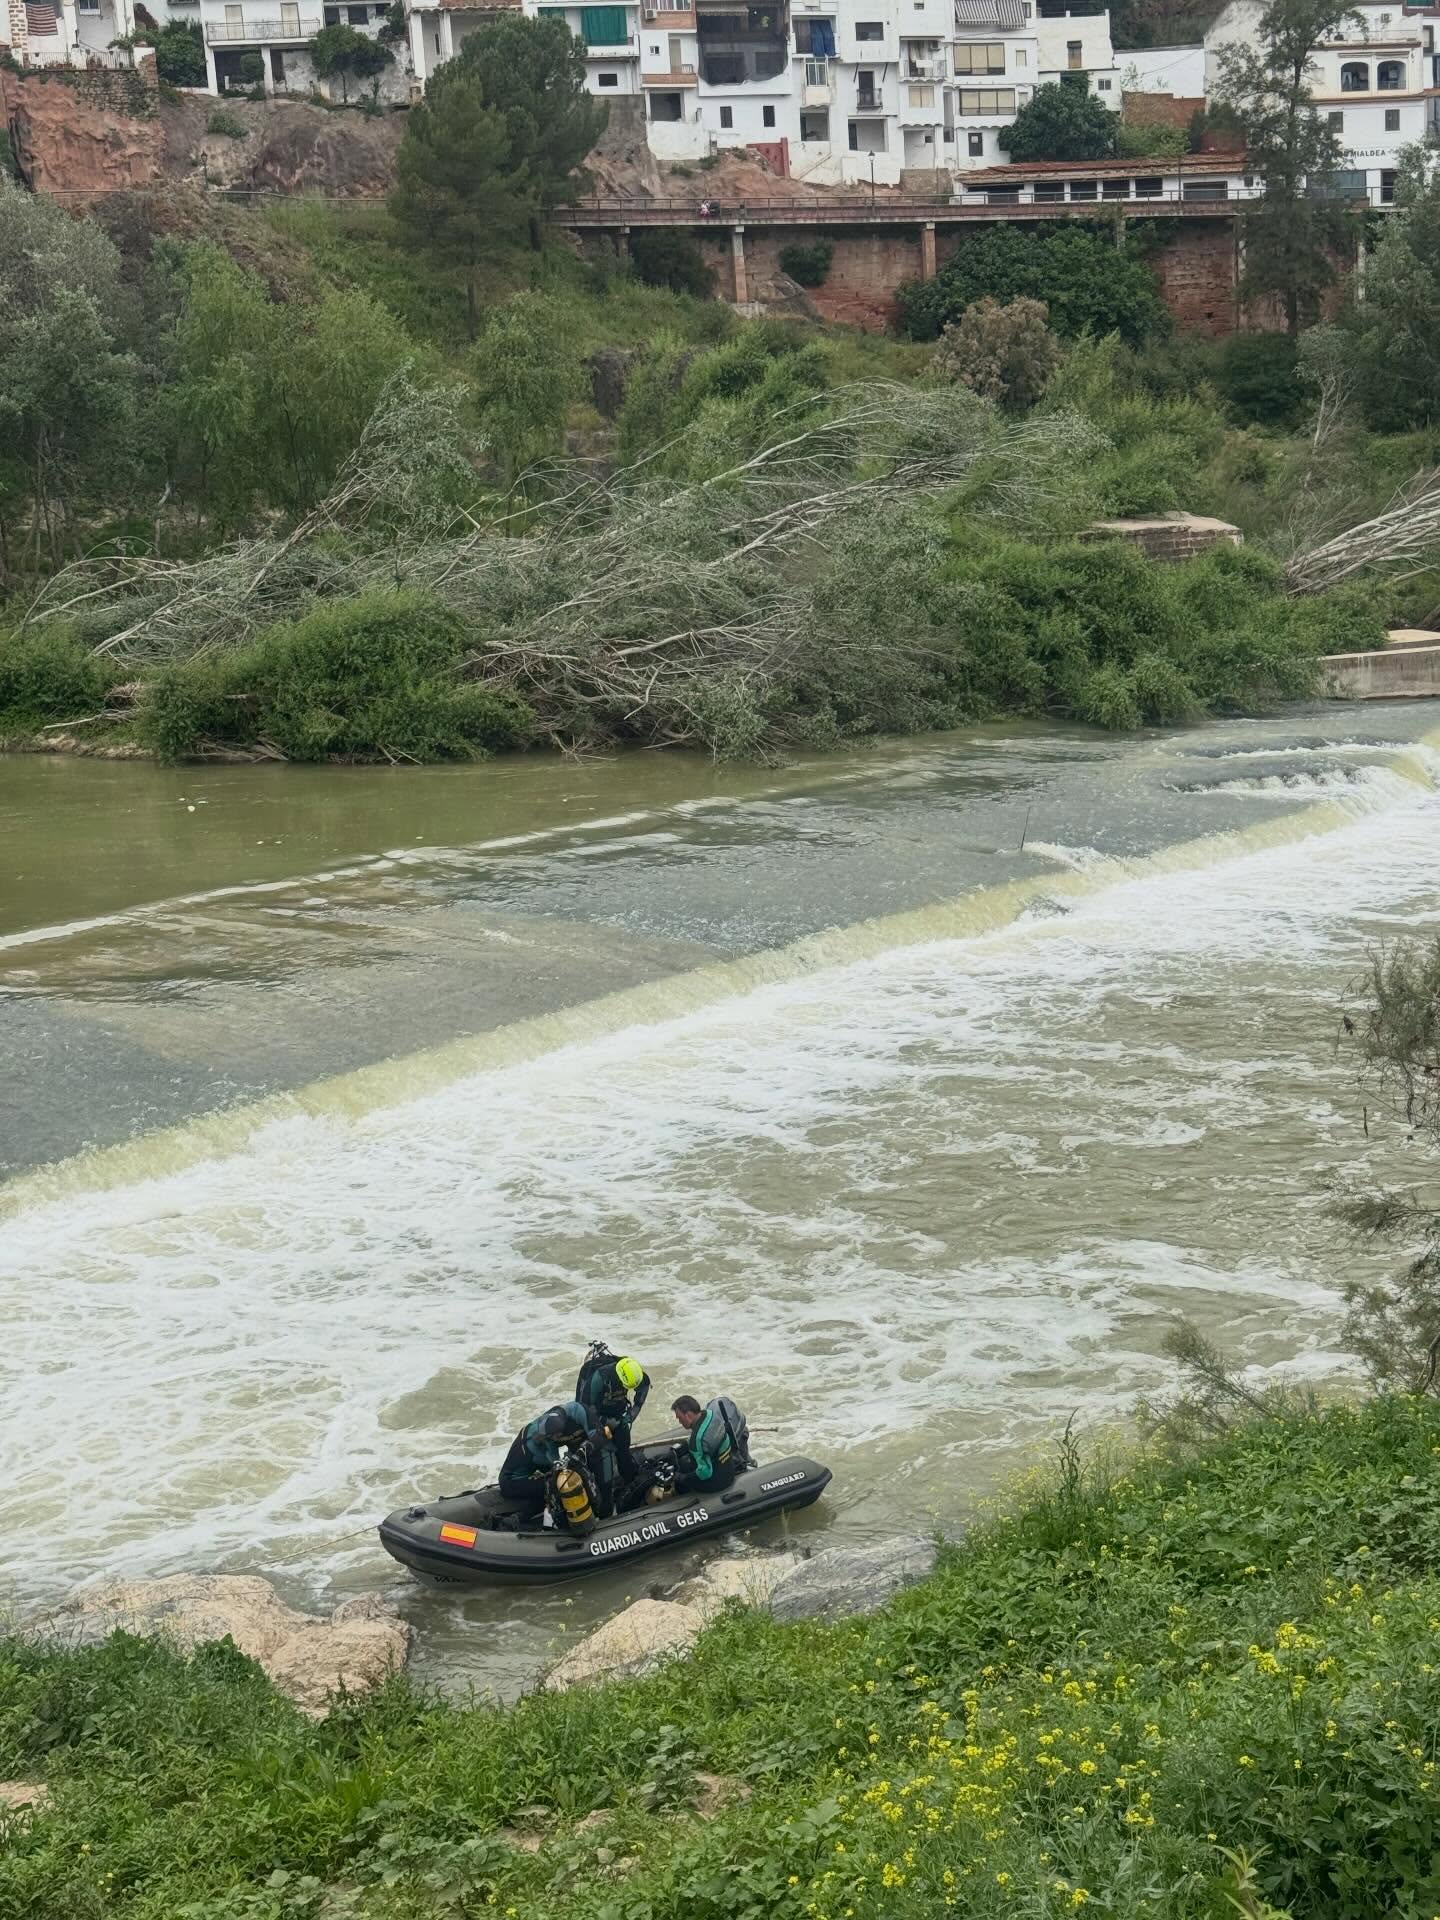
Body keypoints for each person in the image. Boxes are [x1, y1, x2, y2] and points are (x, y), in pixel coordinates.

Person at [497, 1400, 598, 1520]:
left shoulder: (538, 1426)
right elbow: (556, 1470)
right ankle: (519, 1518)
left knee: (551, 1482)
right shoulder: (535, 1446)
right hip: (511, 1483)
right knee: (554, 1486)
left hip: (513, 1475)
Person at [577, 1351, 650, 1490]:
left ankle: (630, 1482)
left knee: (624, 1451)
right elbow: (584, 1408)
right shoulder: (599, 1378)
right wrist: (604, 1421)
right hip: (596, 1418)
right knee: (600, 1454)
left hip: (618, 1415)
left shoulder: (634, 1373)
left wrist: (635, 1409)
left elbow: (644, 1385)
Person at [670, 1392, 750, 1495]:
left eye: (680, 1418)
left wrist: (681, 1477)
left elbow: (705, 1473)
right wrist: (683, 1447)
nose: (680, 1422)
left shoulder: (697, 1441)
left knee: (682, 1471)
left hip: (718, 1483)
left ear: (688, 1415)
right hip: (729, 1469)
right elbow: (705, 1439)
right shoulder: (710, 1414)